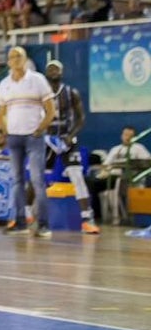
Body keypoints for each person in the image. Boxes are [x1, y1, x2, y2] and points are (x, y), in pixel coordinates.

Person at [0, 46, 55, 238]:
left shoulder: (37, 80)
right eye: (11, 57)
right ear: (8, 62)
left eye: (18, 56)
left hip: (34, 136)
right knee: (17, 181)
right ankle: (20, 222)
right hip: (14, 137)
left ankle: (43, 224)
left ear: (25, 59)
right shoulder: (4, 84)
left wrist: (40, 129)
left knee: (37, 180)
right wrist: (6, 130)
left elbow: (50, 110)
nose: (15, 59)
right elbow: (2, 112)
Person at [43, 60, 100, 234]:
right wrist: (43, 135)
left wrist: (71, 136)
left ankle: (86, 218)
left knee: (77, 176)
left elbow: (81, 118)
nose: (53, 71)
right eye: (50, 68)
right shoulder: (41, 94)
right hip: (47, 140)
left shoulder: (71, 92)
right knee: (37, 177)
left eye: (57, 68)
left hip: (68, 140)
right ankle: (30, 215)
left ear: (62, 72)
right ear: (46, 72)